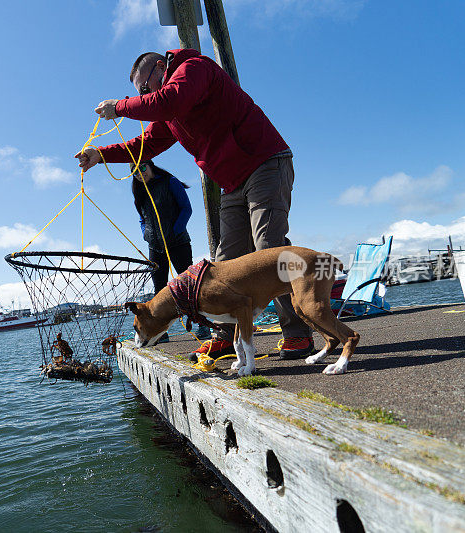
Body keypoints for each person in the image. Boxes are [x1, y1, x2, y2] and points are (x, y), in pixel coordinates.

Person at [75, 49, 314, 360]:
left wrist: (119, 107)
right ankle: (226, 337)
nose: (145, 96)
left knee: (268, 246)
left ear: (161, 67)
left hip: (264, 161)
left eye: (145, 88)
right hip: (231, 182)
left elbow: (171, 100)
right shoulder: (169, 111)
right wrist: (101, 154)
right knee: (224, 260)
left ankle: (297, 334)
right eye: (140, 94)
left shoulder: (193, 68)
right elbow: (146, 143)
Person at [130, 159, 211, 343]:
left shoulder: (170, 182)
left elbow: (186, 208)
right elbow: (142, 219)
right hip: (154, 246)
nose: (140, 173)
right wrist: (146, 234)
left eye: (142, 168)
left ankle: (203, 325)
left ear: (150, 166)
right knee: (159, 289)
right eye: (135, 172)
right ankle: (160, 331)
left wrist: (175, 230)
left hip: (178, 243)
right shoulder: (139, 191)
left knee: (189, 284)